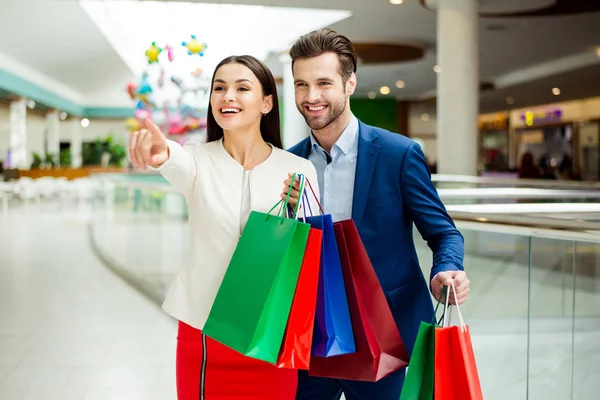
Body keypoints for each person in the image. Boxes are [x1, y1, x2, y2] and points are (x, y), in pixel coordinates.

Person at [280, 29, 469, 400]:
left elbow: (444, 232)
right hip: (310, 334)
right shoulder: (288, 162)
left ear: (350, 83)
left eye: (323, 83)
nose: (311, 97)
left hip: (382, 332)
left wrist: (445, 269)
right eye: (301, 85)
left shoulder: (397, 154)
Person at [129, 55, 319, 400]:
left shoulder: (299, 169)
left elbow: (307, 256)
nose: (227, 96)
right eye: (219, 88)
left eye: (241, 88)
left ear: (266, 103)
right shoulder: (198, 159)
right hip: (204, 330)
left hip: (270, 332)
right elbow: (175, 159)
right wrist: (162, 153)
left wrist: (294, 215)